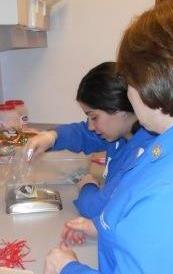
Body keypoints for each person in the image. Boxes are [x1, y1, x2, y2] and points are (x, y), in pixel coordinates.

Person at [44, 1, 173, 274]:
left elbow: (167, 219)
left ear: (149, 80)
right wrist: (109, 228)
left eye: (129, 79)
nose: (128, 92)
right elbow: (150, 221)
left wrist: (66, 269)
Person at [27, 62, 156, 219]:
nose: (90, 126)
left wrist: (87, 185)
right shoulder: (122, 133)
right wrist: (51, 137)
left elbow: (97, 208)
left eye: (94, 117)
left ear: (119, 109)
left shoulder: (142, 155)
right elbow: (82, 134)